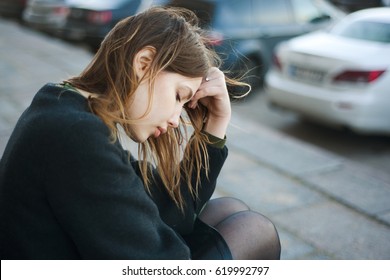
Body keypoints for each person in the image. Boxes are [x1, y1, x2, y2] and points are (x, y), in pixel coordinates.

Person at [0, 7, 280, 260]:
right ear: (144, 63)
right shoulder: (76, 135)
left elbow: (167, 211)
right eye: (178, 96)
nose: (175, 119)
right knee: (255, 230)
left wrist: (216, 122)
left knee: (231, 209)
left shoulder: (63, 107)